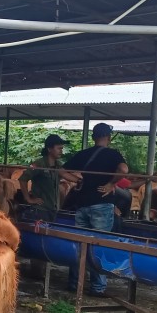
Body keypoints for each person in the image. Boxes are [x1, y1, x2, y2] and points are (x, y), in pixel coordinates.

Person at [62, 123, 128, 296]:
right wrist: (111, 183)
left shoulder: (84, 154)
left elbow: (61, 171)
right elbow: (123, 170)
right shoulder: (113, 154)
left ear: (93, 137)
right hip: (101, 204)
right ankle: (97, 287)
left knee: (79, 245)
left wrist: (77, 181)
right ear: (109, 137)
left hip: (82, 204)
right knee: (98, 245)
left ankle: (75, 283)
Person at [18, 134, 79, 221]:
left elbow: (65, 174)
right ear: (49, 149)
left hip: (53, 210)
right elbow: (22, 179)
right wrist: (28, 198)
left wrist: (81, 180)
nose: (61, 151)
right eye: (59, 148)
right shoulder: (38, 164)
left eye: (62, 149)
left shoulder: (58, 165)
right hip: (40, 210)